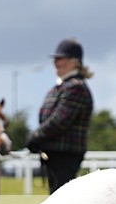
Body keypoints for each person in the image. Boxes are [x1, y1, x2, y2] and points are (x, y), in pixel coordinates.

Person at [27, 38, 94, 194]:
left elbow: (59, 121)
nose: (56, 61)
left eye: (60, 58)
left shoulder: (75, 88)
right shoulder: (59, 87)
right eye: (55, 58)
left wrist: (34, 137)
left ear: (74, 62)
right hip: (54, 154)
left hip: (65, 155)